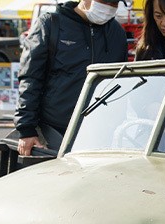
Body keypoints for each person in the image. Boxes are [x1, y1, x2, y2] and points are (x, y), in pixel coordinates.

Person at [14, 0, 128, 157]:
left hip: (99, 134)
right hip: (53, 131)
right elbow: (30, 77)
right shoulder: (51, 24)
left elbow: (121, 82)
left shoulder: (117, 33)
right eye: (104, 1)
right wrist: (26, 129)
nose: (109, 7)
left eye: (114, 3)